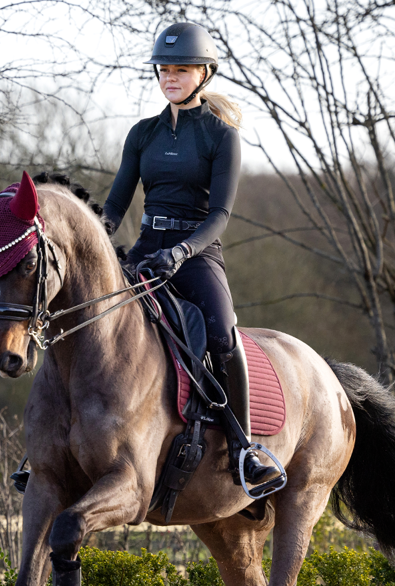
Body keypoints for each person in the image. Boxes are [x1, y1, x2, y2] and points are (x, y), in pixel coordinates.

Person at [102, 21, 278, 486]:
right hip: (146, 249)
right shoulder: (142, 134)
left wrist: (181, 252)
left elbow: (219, 214)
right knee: (88, 314)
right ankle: (52, 447)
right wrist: (99, 239)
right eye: (164, 69)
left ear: (204, 74)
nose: (171, 77)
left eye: (182, 69)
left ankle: (243, 449)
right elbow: (117, 204)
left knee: (222, 332)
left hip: (197, 253)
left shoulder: (222, 137)